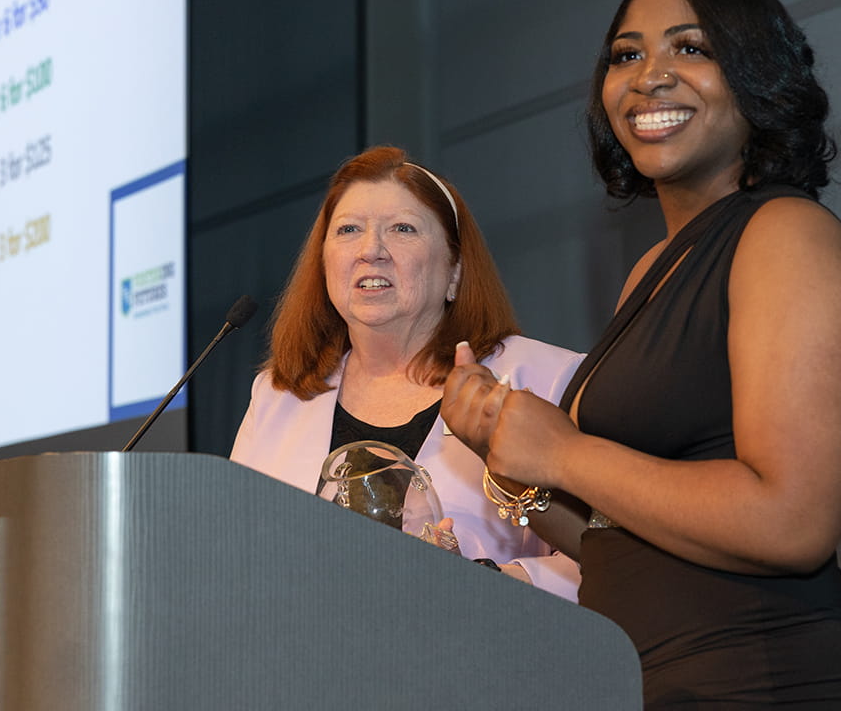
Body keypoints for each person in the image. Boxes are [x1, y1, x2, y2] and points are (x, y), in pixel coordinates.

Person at [442, 0, 841, 708]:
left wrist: (564, 449)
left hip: (777, 682)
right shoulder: (654, 269)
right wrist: (509, 463)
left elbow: (792, 521)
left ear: (758, 77)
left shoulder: (785, 234)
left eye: (689, 48)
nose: (649, 75)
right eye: (626, 55)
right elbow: (619, 542)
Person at [230, 145, 584, 601]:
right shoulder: (278, 395)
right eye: (348, 230)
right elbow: (233, 552)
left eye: (402, 229)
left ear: (455, 271)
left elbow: (608, 564)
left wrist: (478, 584)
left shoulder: (543, 376)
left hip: (476, 655)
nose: (370, 251)